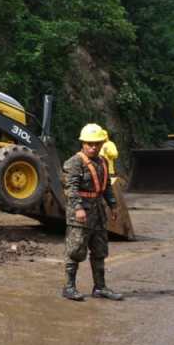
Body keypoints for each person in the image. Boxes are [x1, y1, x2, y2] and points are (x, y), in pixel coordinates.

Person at [62, 123, 123, 301]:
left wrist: (113, 205)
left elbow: (106, 188)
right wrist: (78, 208)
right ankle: (69, 287)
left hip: (98, 213)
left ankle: (100, 287)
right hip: (80, 215)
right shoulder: (74, 162)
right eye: (90, 143)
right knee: (75, 250)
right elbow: (71, 189)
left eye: (97, 143)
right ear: (83, 143)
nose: (93, 147)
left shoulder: (102, 162)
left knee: (99, 250)